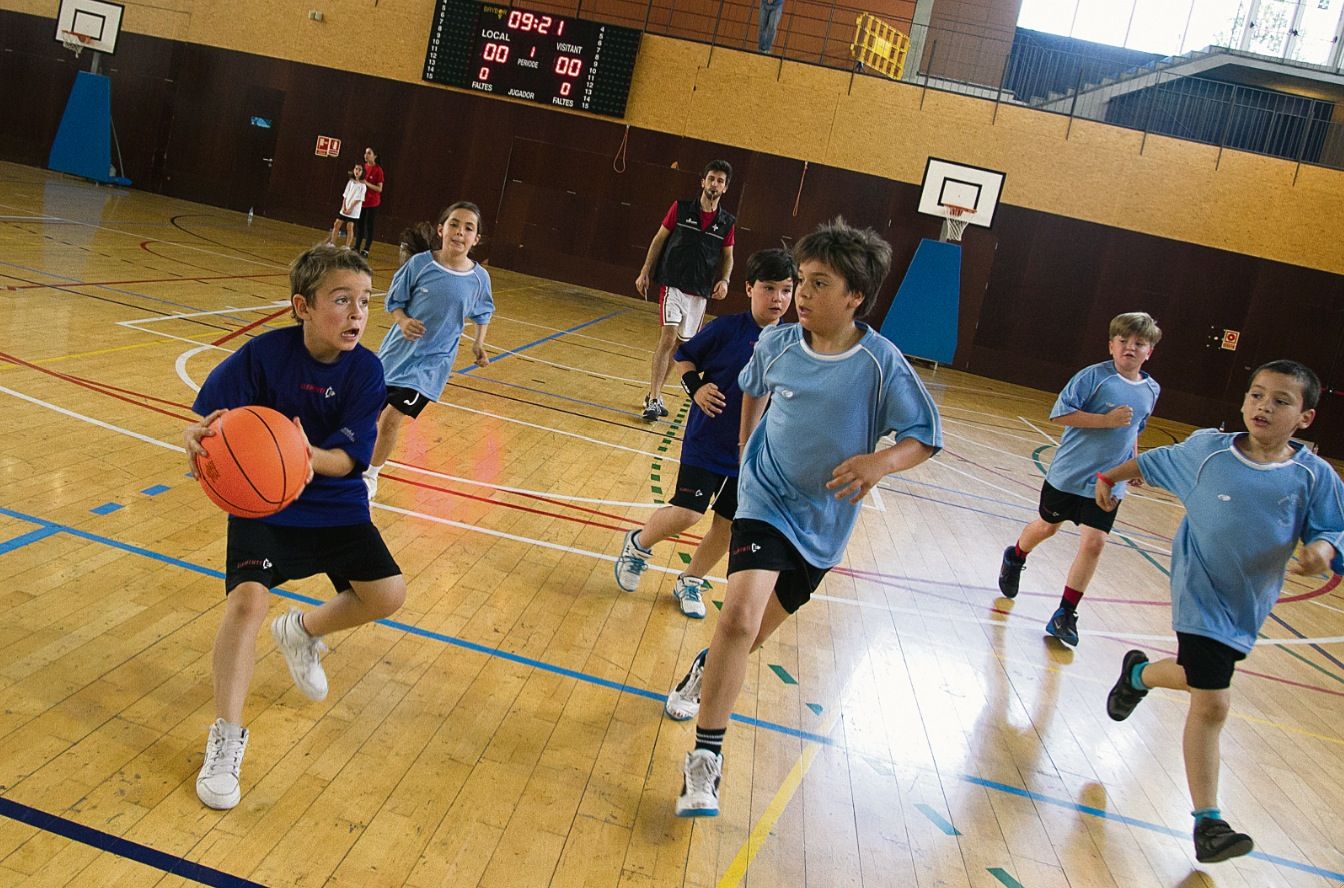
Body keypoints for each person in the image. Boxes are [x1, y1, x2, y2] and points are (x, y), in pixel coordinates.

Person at [665, 218, 942, 817]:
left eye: (818, 284)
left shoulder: (880, 363)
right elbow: (753, 388)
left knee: (753, 634)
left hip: (823, 524)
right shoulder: (778, 344)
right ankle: (705, 760)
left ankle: (703, 673)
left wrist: (880, 463)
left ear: (855, 296)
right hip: (765, 497)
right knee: (738, 618)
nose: (802, 295)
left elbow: (924, 436)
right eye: (801, 281)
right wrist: (747, 449)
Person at [185, 245, 407, 810]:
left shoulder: (367, 370)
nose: (357, 313)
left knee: (387, 594)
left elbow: (350, 459)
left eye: (365, 302)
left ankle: (303, 631)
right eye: (342, 300)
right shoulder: (263, 355)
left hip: (333, 499)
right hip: (265, 504)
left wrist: (302, 455)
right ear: (302, 306)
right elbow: (209, 419)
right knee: (246, 604)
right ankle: (226, 740)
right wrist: (197, 436)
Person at [1097, 359, 1344, 864]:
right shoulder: (1208, 452)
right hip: (1199, 589)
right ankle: (1208, 824)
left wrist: (1322, 549)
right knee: (1213, 704)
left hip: (1248, 603)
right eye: (1257, 394)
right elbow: (1155, 461)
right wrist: (1110, 477)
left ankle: (1138, 675)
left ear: (1305, 418)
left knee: (1197, 676)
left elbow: (1332, 528)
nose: (1263, 406)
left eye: (1281, 401)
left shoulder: (1314, 476)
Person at [614, 248, 799, 616]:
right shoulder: (727, 329)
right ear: (749, 288)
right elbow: (684, 357)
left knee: (729, 524)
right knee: (688, 512)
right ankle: (638, 543)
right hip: (708, 440)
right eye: (769, 288)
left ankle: (691, 579)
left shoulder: (793, 344)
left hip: (753, 454)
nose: (778, 298)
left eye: (786, 290)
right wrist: (696, 388)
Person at [997, 312, 1162, 646]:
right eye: (1123, 341)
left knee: (1094, 542)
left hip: (1108, 481)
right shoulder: (1093, 377)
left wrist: (1132, 465)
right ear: (1111, 345)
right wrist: (1106, 420)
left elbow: (1134, 430)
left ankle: (1065, 613)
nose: (1130, 348)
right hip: (1068, 475)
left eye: (1139, 343)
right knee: (1047, 527)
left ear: (1150, 351)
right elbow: (1060, 414)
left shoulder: (1151, 389)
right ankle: (1016, 556)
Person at [362, 202, 493, 498]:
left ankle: (370, 476)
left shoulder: (478, 278)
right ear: (441, 229)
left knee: (391, 418)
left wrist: (478, 343)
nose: (459, 232)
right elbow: (394, 301)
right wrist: (403, 320)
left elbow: (483, 312)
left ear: (476, 239)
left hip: (431, 366)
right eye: (454, 224)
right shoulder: (420, 264)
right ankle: (349, 463)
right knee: (369, 416)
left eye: (468, 228)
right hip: (395, 355)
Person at [634, 160, 736, 422]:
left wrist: (725, 280)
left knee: (680, 345)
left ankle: (654, 393)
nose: (715, 184)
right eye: (711, 178)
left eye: (720, 181)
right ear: (703, 181)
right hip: (673, 284)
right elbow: (659, 238)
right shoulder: (680, 209)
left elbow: (728, 256)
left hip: (700, 292)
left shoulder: (726, 223)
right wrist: (645, 270)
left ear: (725, 188)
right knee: (667, 338)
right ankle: (654, 399)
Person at [353, 147, 385, 258]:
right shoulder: (363, 167)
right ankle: (356, 246)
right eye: (365, 153)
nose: (366, 155)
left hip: (372, 203)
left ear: (375, 156)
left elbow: (379, 189)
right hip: (362, 201)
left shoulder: (378, 170)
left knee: (369, 226)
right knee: (359, 225)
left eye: (369, 153)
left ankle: (366, 249)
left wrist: (366, 183)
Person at [328, 164, 367, 250]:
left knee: (349, 226)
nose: (357, 171)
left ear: (362, 172)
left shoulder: (363, 186)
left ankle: (347, 246)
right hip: (345, 207)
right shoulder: (350, 182)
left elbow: (359, 199)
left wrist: (350, 209)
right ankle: (332, 243)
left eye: (359, 170)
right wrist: (344, 206)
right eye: (356, 169)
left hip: (354, 210)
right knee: (337, 223)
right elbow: (345, 195)